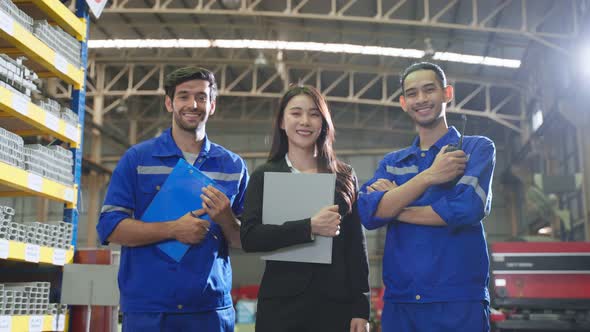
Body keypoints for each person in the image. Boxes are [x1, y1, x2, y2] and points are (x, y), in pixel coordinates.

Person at [97, 67, 249, 332]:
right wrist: (173, 230)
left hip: (210, 310)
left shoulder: (233, 166)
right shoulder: (137, 160)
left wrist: (226, 218)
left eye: (202, 97)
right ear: (169, 103)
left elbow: (243, 240)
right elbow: (109, 227)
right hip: (149, 310)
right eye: (183, 96)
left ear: (212, 106)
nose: (193, 104)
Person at [358, 62, 495, 332]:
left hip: (458, 301)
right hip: (401, 303)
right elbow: (368, 214)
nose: (420, 99)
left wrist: (395, 206)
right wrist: (429, 176)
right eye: (412, 93)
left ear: (447, 93)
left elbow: (466, 208)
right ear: (403, 102)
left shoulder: (475, 148)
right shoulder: (393, 162)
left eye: (429, 90)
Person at [240, 85, 370, 332]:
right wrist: (309, 227)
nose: (305, 121)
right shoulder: (264, 175)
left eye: (314, 114)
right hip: (281, 308)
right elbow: (250, 238)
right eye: (296, 113)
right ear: (281, 121)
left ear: (323, 122)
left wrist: (361, 309)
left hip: (335, 307)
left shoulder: (343, 176)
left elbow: (356, 247)